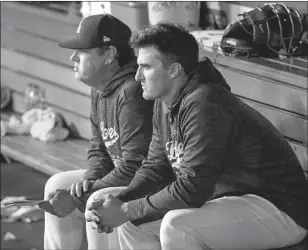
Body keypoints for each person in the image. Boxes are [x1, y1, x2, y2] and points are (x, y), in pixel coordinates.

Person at [84, 22, 308, 250]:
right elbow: (154, 168)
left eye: (146, 67)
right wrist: (121, 203)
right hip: (228, 200)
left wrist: (125, 210)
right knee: (127, 218)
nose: (137, 76)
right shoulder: (164, 102)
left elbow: (192, 188)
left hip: (280, 208)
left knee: (176, 225)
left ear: (174, 70)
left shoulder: (205, 102)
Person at [42, 14, 154, 250]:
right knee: (57, 185)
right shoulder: (100, 88)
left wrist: (87, 191)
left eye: (82, 51)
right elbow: (99, 148)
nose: (73, 57)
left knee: (95, 201)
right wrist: (89, 179)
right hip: (121, 177)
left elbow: (136, 165)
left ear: (110, 55)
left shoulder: (132, 92)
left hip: (148, 183)